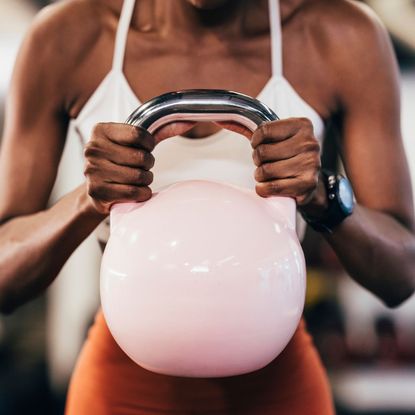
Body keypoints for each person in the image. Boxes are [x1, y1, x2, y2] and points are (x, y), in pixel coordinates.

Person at [0, 0, 414, 413]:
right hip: (125, 383)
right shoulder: (68, 36)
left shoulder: (341, 35)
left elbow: (401, 275)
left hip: (276, 383)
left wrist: (322, 198)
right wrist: (87, 199)